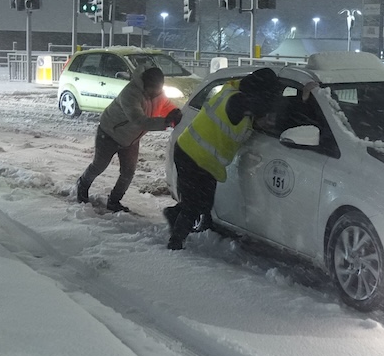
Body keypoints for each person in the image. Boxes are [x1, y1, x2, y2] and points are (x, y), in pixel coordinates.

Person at [163, 66, 280, 250]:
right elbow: (264, 107)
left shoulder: (233, 91)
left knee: (204, 202)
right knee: (194, 205)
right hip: (192, 155)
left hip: (199, 156)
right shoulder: (238, 101)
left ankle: (173, 214)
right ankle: (175, 243)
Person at [76, 66, 182, 212]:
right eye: (153, 89)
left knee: (128, 172)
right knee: (99, 165)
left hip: (130, 139)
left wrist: (175, 112)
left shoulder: (157, 93)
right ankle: (82, 185)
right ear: (145, 84)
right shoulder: (130, 94)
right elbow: (139, 120)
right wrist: (165, 122)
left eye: (158, 89)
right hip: (109, 134)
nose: (156, 93)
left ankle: (114, 201)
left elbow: (165, 105)